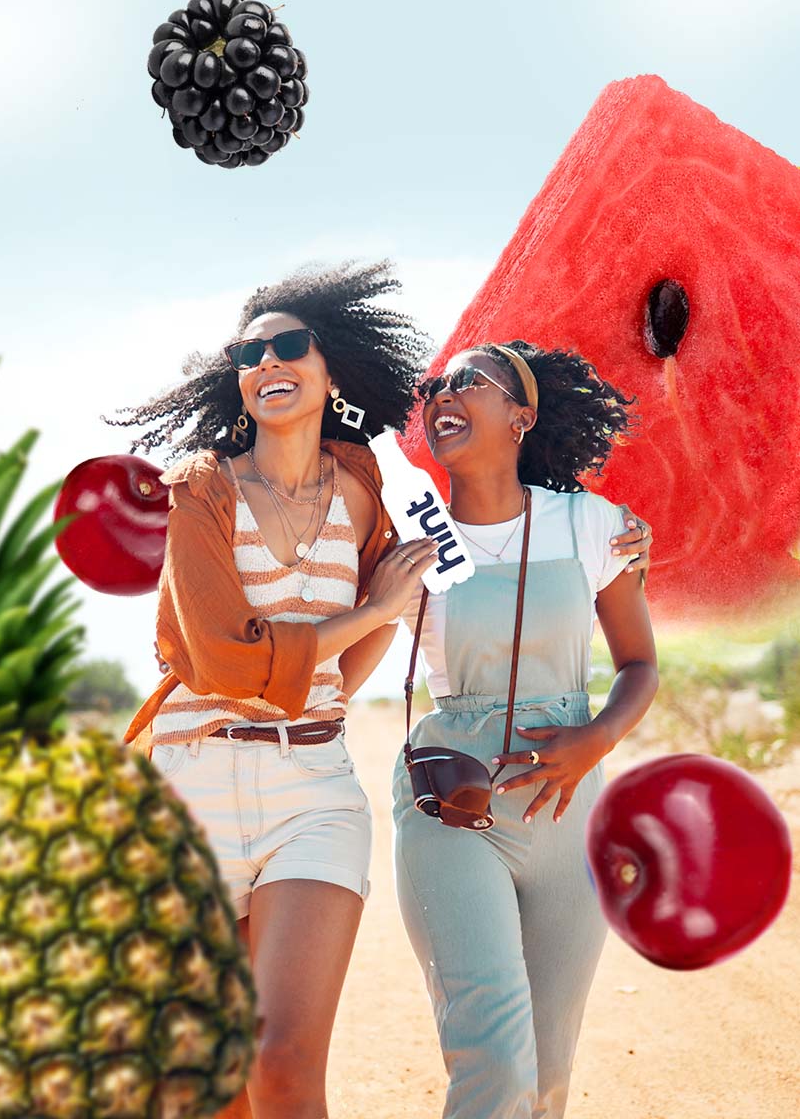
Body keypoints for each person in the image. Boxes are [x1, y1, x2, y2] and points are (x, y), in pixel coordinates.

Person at [110, 261, 439, 1119]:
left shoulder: (364, 490)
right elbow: (221, 659)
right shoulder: (201, 490)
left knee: (284, 1064)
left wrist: (362, 625)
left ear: (332, 370)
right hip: (195, 785)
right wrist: (368, 611)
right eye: (247, 354)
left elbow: (357, 652)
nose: (266, 362)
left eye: (288, 345)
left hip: (314, 795)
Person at [392, 340, 658, 1119]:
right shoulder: (413, 533)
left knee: (545, 1080)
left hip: (570, 813)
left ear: (521, 415)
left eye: (468, 382)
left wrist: (597, 738)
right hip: (454, 804)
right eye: (436, 386)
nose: (445, 395)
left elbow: (639, 664)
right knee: (494, 1064)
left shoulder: (588, 524)